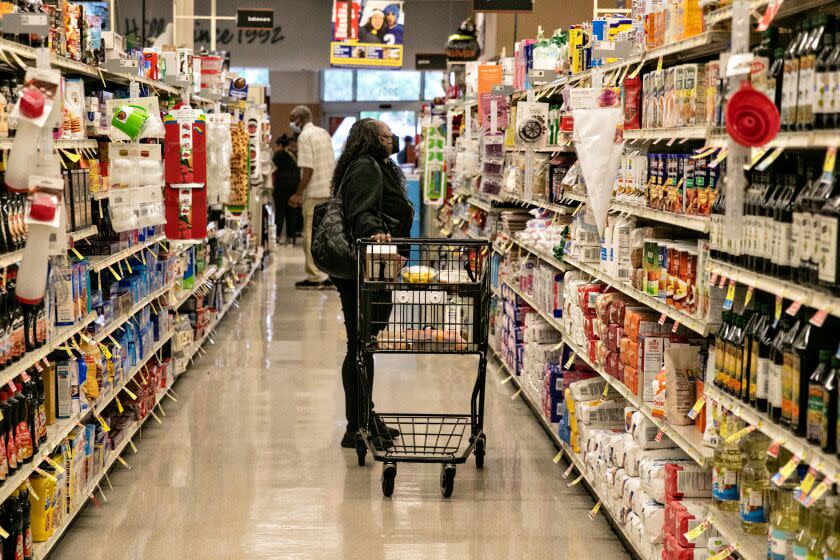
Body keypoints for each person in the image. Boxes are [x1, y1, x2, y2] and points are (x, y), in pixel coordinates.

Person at [330, 118, 413, 449]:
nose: (391, 137)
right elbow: (361, 213)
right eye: (385, 135)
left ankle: (365, 416)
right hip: (362, 267)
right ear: (370, 140)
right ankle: (356, 427)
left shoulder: (376, 164)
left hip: (371, 265)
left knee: (364, 344)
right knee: (360, 345)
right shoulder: (365, 166)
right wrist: (374, 237)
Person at [288, 105, 336, 290]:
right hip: (329, 192)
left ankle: (315, 277)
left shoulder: (304, 137)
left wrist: (298, 194)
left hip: (314, 193)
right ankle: (330, 274)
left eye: (293, 118)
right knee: (327, 237)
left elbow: (308, 169)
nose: (291, 122)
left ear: (300, 118)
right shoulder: (323, 133)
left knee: (310, 236)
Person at [272, 134, 302, 244]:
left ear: (280, 145)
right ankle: (291, 237)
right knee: (292, 211)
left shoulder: (279, 154)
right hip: (294, 186)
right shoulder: (295, 155)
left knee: (280, 211)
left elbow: (272, 168)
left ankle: (277, 236)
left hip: (281, 186)